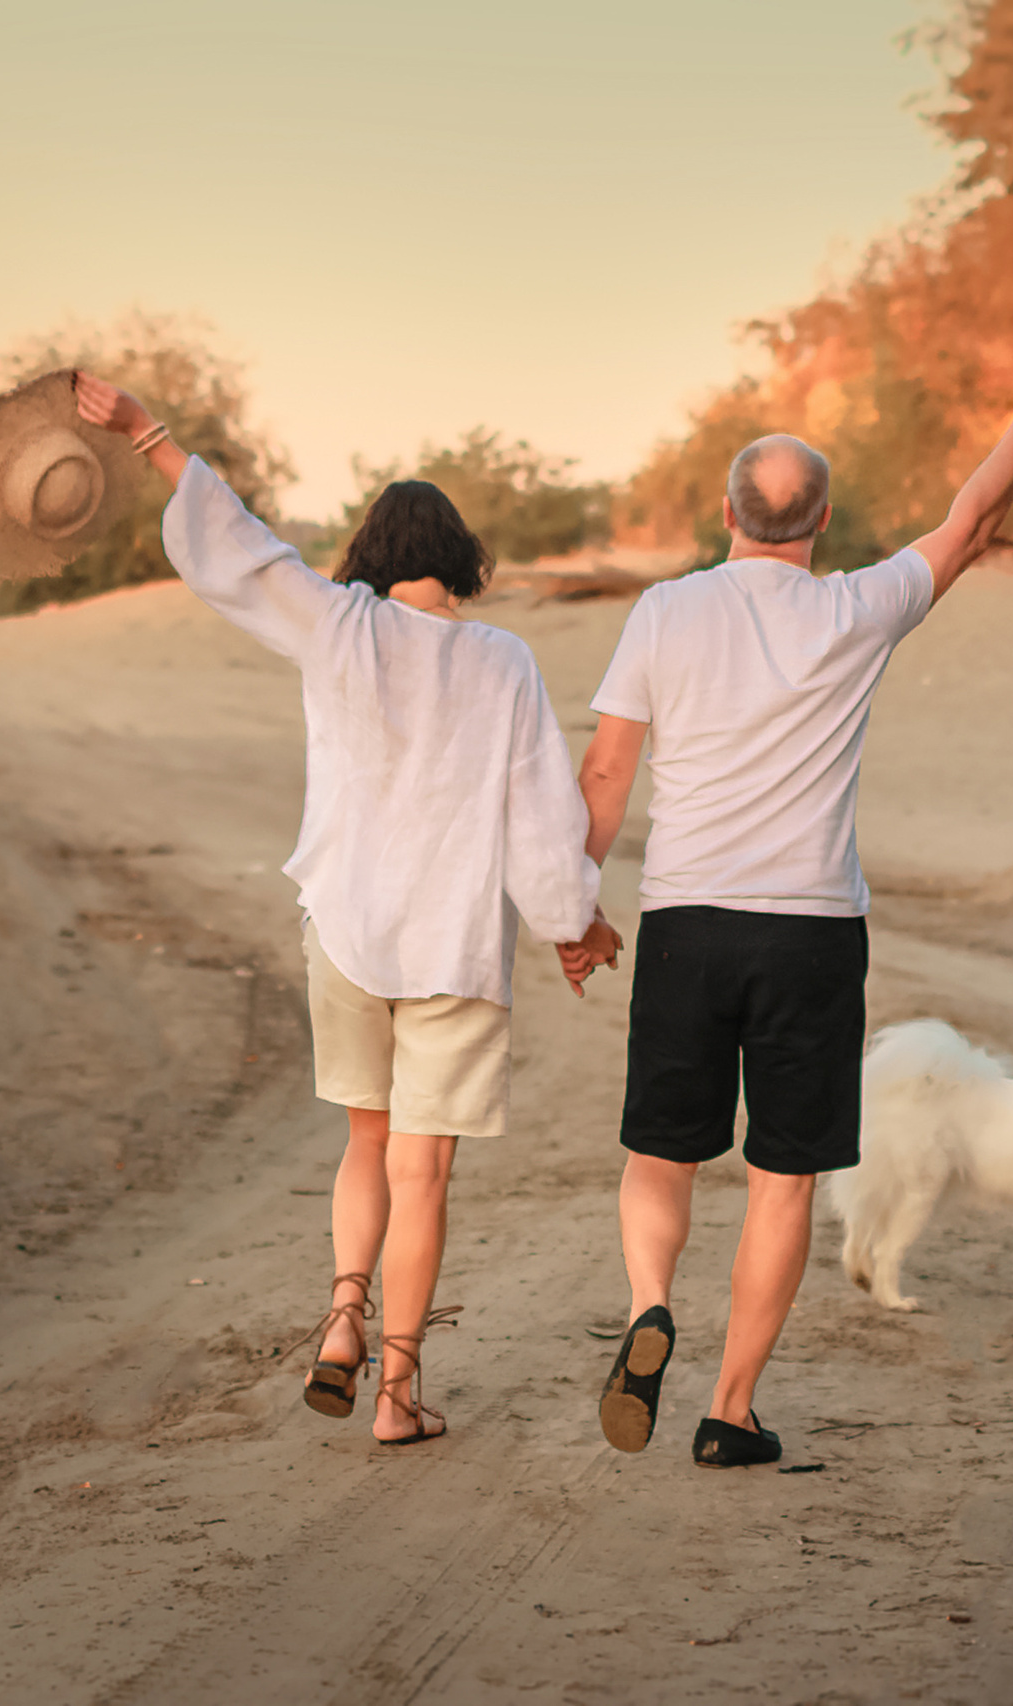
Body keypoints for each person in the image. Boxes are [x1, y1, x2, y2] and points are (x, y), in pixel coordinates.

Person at [71, 371, 607, 1445]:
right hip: (453, 945)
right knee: (425, 1169)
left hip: (350, 932)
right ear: (460, 561)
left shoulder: (338, 626)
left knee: (363, 1145)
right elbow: (541, 814)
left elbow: (242, 548)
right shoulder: (503, 661)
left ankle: (339, 1322)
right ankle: (399, 1398)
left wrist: (147, 433)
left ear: (369, 554)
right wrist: (571, 923)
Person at [569, 374, 1013, 1468]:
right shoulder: (859, 605)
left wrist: (577, 910)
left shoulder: (663, 610)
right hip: (808, 931)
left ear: (725, 517)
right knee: (784, 1176)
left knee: (661, 1155)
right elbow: (972, 521)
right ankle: (731, 1408)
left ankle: (650, 1301)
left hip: (685, 920)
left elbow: (607, 773)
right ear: (819, 523)